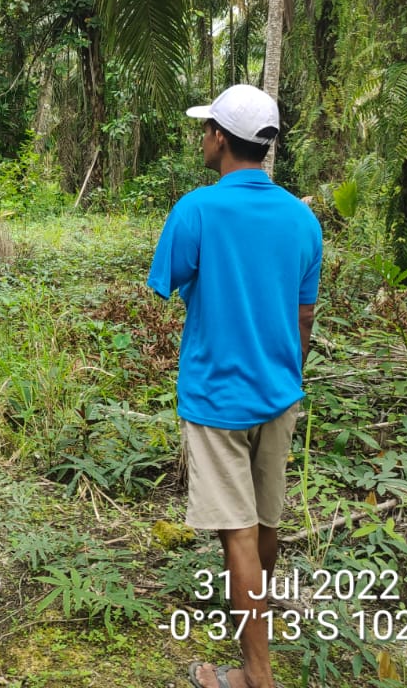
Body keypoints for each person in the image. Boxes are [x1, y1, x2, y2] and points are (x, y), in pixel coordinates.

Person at [146, 85, 322, 688]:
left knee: (238, 534)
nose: (203, 138)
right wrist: (286, 370)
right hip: (280, 391)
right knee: (265, 524)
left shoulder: (196, 209)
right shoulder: (302, 219)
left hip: (218, 395)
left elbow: (168, 280)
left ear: (221, 138)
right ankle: (255, 635)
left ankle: (256, 674)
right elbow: (303, 316)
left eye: (206, 129)